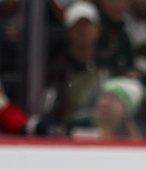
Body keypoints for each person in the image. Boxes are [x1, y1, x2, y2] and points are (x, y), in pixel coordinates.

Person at [43, 1, 112, 130]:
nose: (83, 31)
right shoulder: (58, 69)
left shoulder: (108, 63)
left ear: (97, 29)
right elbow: (51, 108)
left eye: (87, 25)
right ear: (68, 31)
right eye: (77, 26)